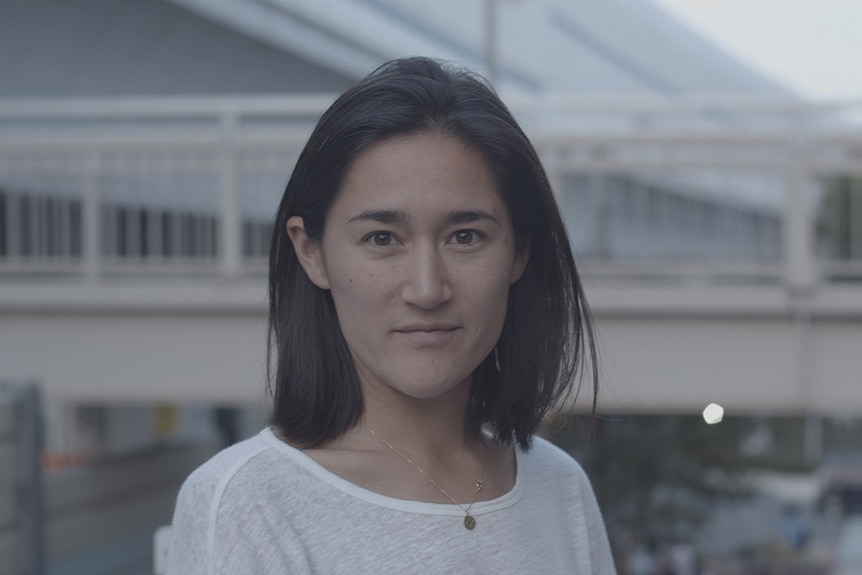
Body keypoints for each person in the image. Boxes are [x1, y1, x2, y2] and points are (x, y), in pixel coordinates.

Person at [167, 56, 616, 574]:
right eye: (382, 239)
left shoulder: (558, 488)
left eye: (465, 236)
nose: (427, 289)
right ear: (311, 251)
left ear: (518, 252)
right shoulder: (248, 504)